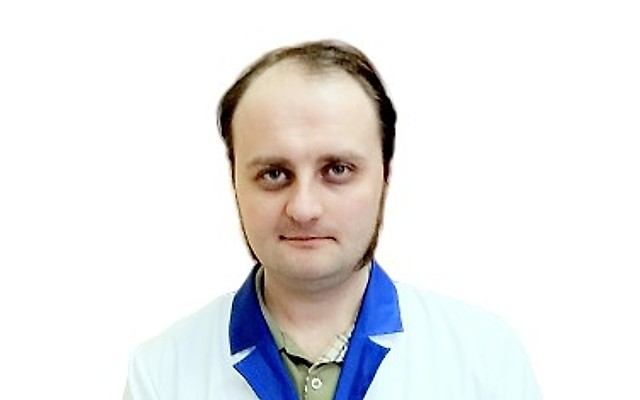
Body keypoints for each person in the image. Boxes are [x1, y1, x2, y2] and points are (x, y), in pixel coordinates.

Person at [123, 39, 542, 400]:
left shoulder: (484, 359)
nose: (304, 208)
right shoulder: (162, 374)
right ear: (234, 182)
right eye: (274, 174)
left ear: (385, 176)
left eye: (337, 169)